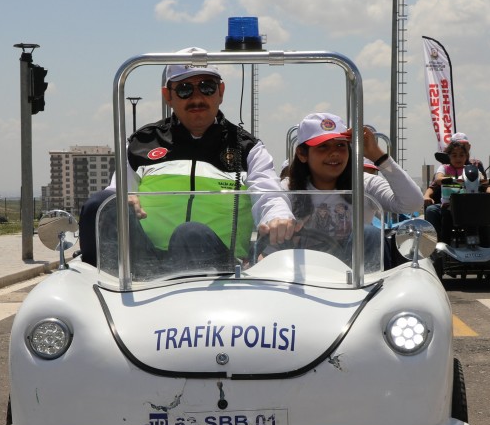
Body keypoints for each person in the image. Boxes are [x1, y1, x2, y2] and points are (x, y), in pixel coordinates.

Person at [78, 48, 296, 271]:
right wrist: (123, 199)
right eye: (184, 90)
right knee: (99, 205)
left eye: (207, 87)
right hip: (146, 267)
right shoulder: (140, 143)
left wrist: (278, 216)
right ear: (168, 96)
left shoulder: (247, 148)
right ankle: (98, 291)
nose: (197, 98)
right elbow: (117, 193)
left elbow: (269, 194)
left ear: (220, 92)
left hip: (217, 267)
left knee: (190, 234)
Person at [284, 113, 424, 265]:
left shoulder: (365, 183)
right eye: (323, 146)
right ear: (302, 154)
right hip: (304, 277)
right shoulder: (286, 189)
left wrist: (378, 155)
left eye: (340, 145)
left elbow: (413, 203)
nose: (335, 153)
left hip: (357, 281)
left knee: (368, 233)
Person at [423, 132, 490, 246]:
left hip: (470, 204)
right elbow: (436, 181)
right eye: (454, 154)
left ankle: (487, 244)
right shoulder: (444, 168)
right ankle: (438, 246)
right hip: (450, 205)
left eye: (462, 154)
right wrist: (445, 180)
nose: (458, 157)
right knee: (437, 213)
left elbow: (484, 184)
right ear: (449, 155)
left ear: (467, 152)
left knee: (488, 209)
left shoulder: (474, 167)